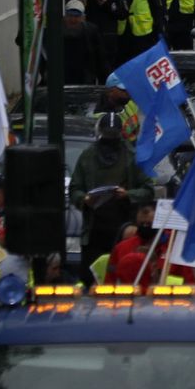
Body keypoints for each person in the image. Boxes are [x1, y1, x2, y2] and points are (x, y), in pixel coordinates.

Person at [70, 112, 156, 271]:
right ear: (99, 133)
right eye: (106, 134)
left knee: (123, 274)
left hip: (123, 230)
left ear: (120, 133)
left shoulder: (132, 156)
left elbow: (148, 190)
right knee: (90, 277)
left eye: (113, 134)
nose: (110, 139)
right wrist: (85, 199)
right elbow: (75, 189)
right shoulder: (87, 156)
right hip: (94, 231)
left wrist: (128, 194)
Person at [61, 0, 109, 85]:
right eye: (70, 16)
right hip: (63, 77)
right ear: (65, 17)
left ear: (83, 17)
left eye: (77, 16)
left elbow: (100, 58)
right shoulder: (57, 32)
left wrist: (104, 81)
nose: (73, 20)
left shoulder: (91, 31)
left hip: (85, 77)